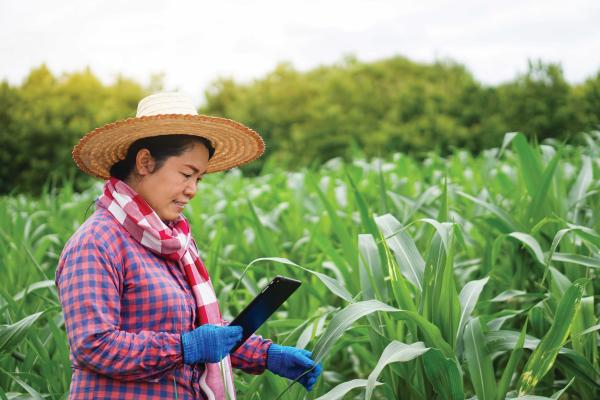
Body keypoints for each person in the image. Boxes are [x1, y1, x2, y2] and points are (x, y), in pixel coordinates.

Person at [55, 92, 322, 399]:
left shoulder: (173, 244)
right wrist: (185, 347)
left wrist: (266, 355)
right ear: (145, 162)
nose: (192, 190)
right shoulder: (97, 243)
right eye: (186, 174)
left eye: (199, 178)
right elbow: (94, 346)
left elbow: (203, 333)